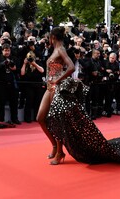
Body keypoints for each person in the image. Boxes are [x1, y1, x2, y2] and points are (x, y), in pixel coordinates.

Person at [36, 27, 75, 163]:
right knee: (40, 117)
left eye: (49, 38)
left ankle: (59, 152)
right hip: (49, 87)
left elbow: (71, 67)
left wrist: (58, 80)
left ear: (53, 37)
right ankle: (54, 146)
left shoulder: (61, 50)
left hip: (56, 88)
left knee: (55, 120)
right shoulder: (55, 50)